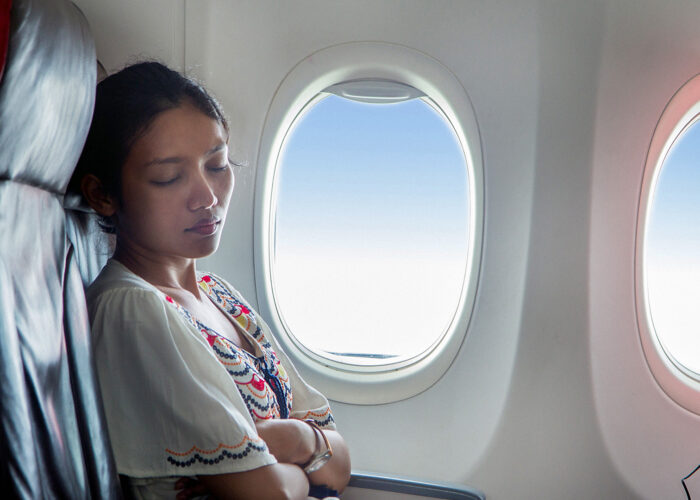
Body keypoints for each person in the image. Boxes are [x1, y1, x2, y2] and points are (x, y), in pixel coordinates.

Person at [70, 61, 351, 500]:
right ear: (102, 195)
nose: (207, 197)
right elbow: (269, 495)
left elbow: (342, 463)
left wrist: (297, 441)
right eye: (168, 177)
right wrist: (306, 458)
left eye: (217, 164)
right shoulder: (135, 311)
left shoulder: (220, 296)